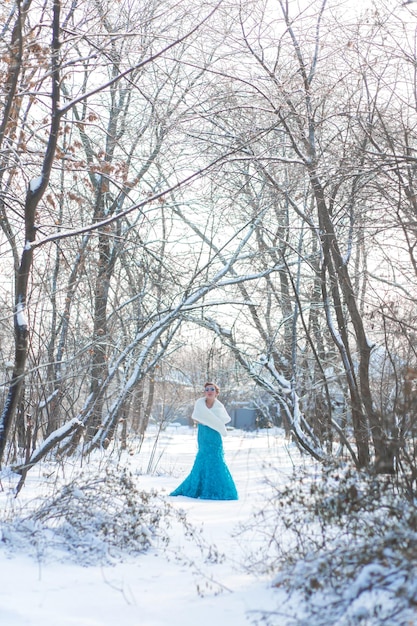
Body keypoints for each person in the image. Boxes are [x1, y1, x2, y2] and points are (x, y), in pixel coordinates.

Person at [170, 382, 238, 500]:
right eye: (207, 389)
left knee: (216, 460)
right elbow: (197, 417)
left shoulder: (219, 407)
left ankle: (218, 489)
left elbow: (223, 420)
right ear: (204, 392)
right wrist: (206, 421)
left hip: (214, 435)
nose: (209, 391)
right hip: (204, 434)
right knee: (202, 458)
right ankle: (197, 487)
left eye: (212, 389)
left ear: (216, 393)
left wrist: (210, 421)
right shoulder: (199, 404)